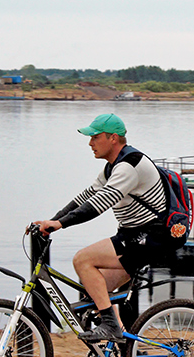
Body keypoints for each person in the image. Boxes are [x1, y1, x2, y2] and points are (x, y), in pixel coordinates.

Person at [32, 113, 170, 342]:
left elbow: (99, 204)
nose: (90, 143)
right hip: (134, 235)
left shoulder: (130, 166)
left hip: (151, 235)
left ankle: (111, 328)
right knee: (95, 288)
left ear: (113, 138)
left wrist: (60, 224)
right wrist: (52, 220)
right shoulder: (112, 168)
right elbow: (85, 197)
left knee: (82, 260)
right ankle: (122, 345)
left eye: (95, 137)